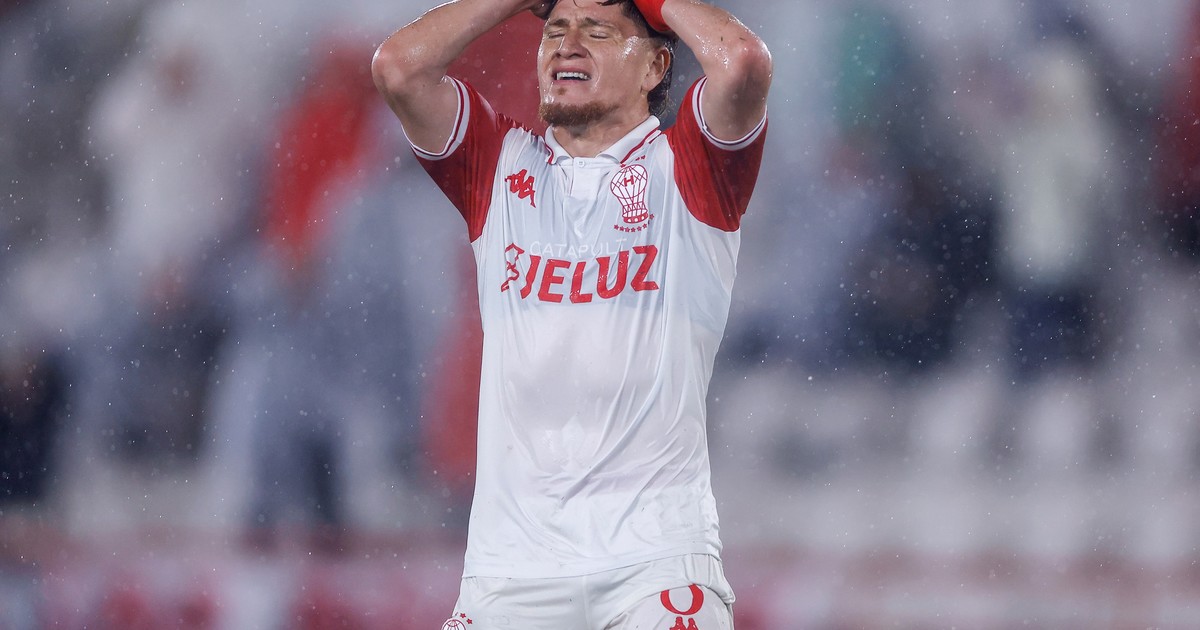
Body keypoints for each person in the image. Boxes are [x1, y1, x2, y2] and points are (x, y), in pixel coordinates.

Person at [371, 0, 771, 628]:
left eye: (599, 31)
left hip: (654, 565)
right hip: (510, 574)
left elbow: (743, 61)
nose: (568, 44)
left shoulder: (690, 169)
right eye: (555, 30)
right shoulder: (500, 167)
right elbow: (399, 68)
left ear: (655, 67)